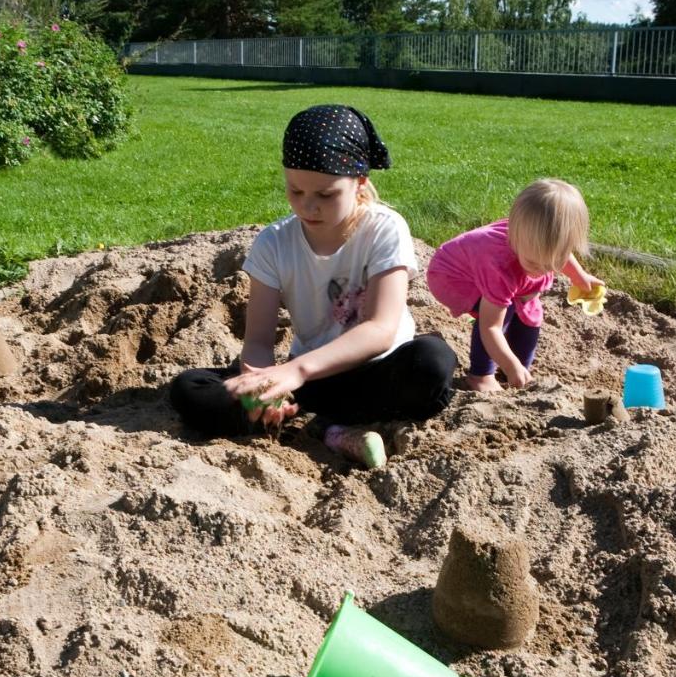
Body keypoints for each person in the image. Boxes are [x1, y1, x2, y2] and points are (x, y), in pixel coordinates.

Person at [170, 105, 458, 468]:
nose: (308, 206)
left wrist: (296, 371)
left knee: (433, 362)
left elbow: (381, 330)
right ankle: (326, 429)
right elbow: (258, 341)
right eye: (295, 190)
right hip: (311, 384)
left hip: (380, 373)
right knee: (190, 389)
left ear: (360, 183)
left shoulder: (385, 228)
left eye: (326, 195)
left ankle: (320, 426)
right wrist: (263, 389)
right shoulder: (274, 243)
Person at [426, 178, 602, 393]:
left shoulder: (542, 247)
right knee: (503, 310)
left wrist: (579, 276)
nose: (543, 269)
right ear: (516, 236)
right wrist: (510, 365)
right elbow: (491, 327)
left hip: (491, 270)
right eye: (534, 262)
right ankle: (481, 375)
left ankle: (518, 366)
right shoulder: (499, 265)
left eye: (552, 262)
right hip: (452, 276)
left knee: (530, 314)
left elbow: (562, 255)